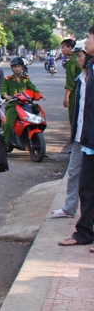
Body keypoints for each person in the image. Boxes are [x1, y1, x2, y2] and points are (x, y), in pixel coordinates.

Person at [59, 28, 94, 248]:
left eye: (89, 38)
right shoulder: (87, 71)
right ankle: (84, 232)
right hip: (87, 140)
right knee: (86, 187)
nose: (86, 41)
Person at [50, 41, 90, 219]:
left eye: (80, 56)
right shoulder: (81, 79)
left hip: (90, 136)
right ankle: (69, 208)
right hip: (79, 135)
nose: (77, 59)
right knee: (74, 172)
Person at [0, 57, 44, 146]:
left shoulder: (25, 79)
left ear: (22, 68)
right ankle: (4, 144)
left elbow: (33, 88)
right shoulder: (7, 80)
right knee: (8, 124)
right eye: (15, 67)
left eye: (19, 66)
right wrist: (7, 96)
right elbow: (3, 91)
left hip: (25, 104)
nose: (17, 68)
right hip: (13, 105)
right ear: (12, 68)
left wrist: (40, 94)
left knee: (36, 119)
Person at [61, 38, 82, 126]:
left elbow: (70, 83)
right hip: (83, 90)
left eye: (63, 47)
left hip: (76, 92)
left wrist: (66, 97)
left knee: (74, 116)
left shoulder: (71, 62)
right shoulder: (78, 58)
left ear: (70, 48)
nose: (62, 50)